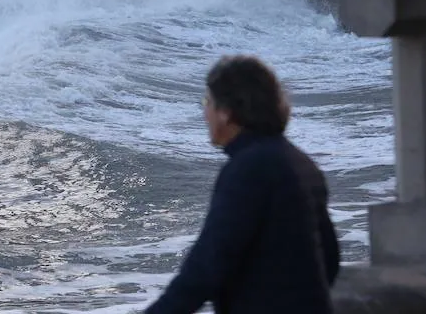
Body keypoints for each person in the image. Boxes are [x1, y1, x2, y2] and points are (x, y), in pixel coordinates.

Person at [144, 55, 340, 314]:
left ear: (226, 112)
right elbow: (329, 259)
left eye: (207, 102)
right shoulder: (300, 162)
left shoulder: (249, 169)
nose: (205, 114)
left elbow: (208, 264)